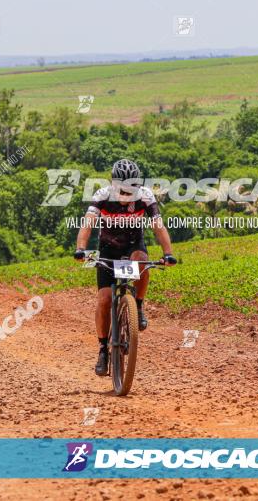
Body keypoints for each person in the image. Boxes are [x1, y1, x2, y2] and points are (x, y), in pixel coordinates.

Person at [74, 158, 177, 376]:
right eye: (122, 191)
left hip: (132, 245)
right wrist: (81, 248)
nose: (126, 196)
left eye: (130, 191)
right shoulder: (102, 196)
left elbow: (158, 226)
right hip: (108, 249)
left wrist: (168, 253)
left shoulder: (145, 197)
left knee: (143, 262)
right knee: (103, 299)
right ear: (113, 185)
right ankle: (103, 348)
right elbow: (88, 224)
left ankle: (137, 306)